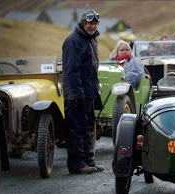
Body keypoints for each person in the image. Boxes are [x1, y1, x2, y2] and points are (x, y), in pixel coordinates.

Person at [62, 9, 104, 174]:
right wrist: (77, 95)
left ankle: (88, 161)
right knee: (76, 129)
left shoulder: (91, 40)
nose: (92, 26)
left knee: (87, 128)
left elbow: (91, 69)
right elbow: (71, 71)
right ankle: (76, 164)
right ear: (82, 23)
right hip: (76, 96)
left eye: (94, 23)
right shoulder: (73, 41)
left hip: (88, 94)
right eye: (89, 23)